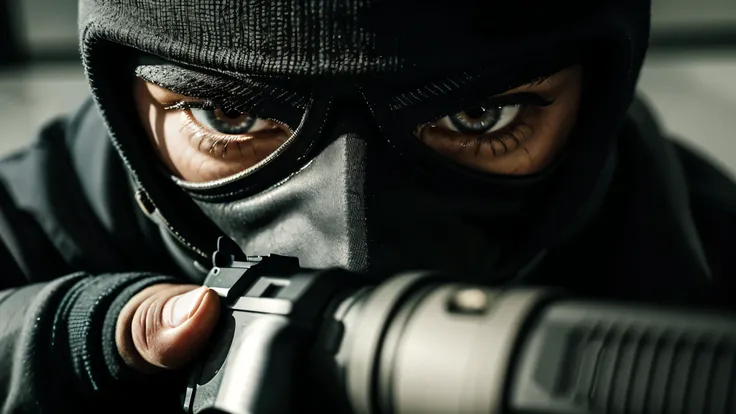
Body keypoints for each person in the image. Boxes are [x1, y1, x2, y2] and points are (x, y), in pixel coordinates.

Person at [1, 0, 735, 413]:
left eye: (480, 117)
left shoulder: (708, 290)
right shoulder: (42, 217)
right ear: (124, 103)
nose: (353, 252)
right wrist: (73, 342)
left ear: (597, 97)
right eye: (230, 119)